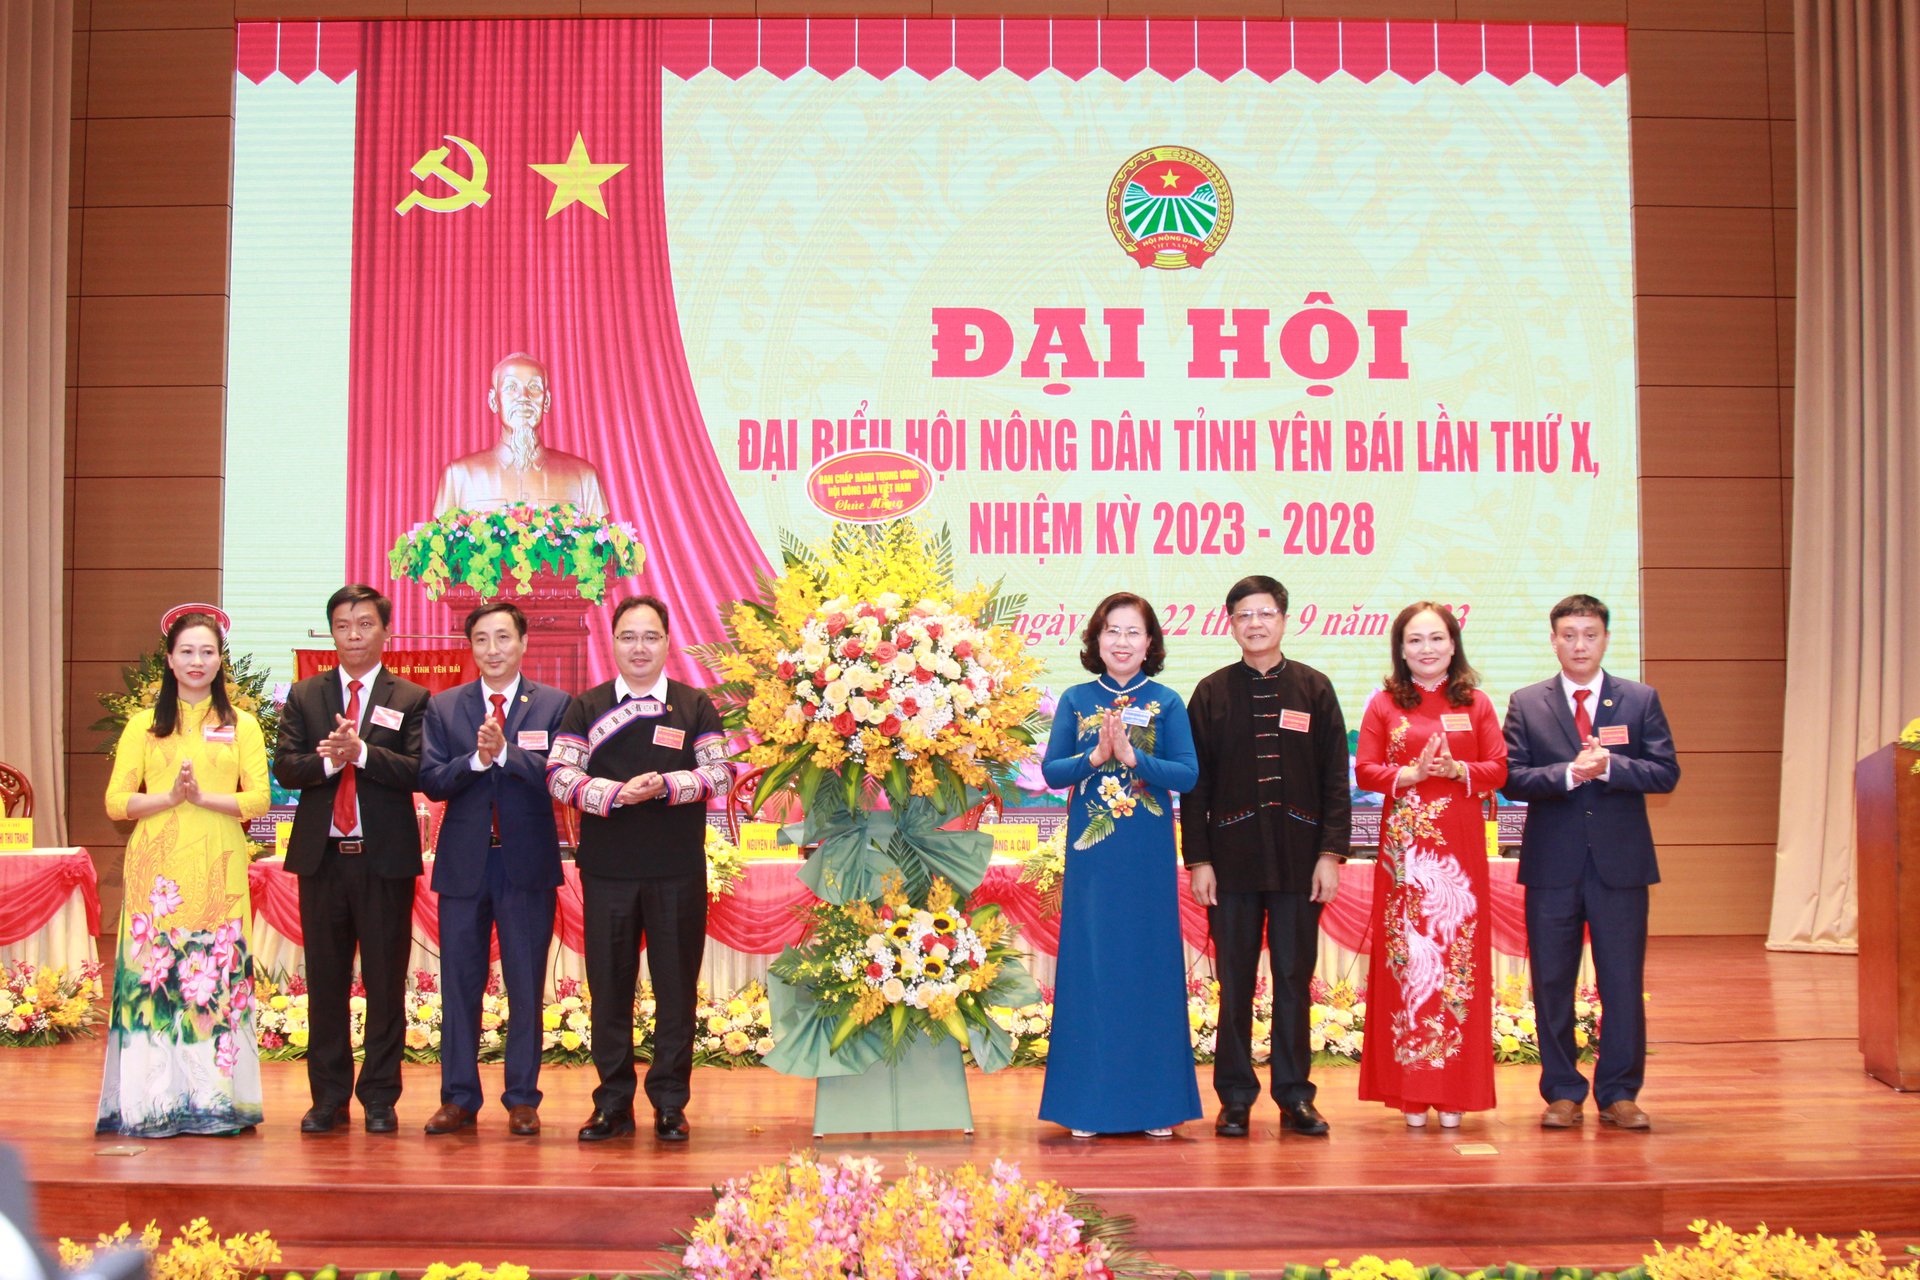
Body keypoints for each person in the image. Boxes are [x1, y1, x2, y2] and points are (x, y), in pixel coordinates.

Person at [547, 595, 732, 1142]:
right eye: (628, 636)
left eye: (650, 637)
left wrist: (669, 786)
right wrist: (615, 793)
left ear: (668, 643)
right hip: (606, 872)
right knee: (609, 989)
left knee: (676, 989)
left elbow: (720, 773)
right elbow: (558, 775)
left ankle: (671, 1103)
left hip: (677, 871)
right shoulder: (587, 705)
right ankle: (612, 1103)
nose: (639, 647)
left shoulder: (694, 705)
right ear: (613, 642)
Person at [1181, 575, 1351, 1138]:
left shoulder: (1314, 689)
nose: (1255, 624)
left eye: (1265, 613)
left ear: (1284, 619)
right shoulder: (1210, 692)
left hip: (1301, 861)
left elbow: (1335, 782)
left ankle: (1295, 1095)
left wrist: (1330, 854)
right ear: (1229, 624)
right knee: (1233, 980)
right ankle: (1234, 1097)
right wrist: (1198, 860)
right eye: (1243, 615)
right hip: (1229, 863)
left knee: (1292, 977)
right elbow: (1195, 789)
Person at [1502, 594, 1679, 1132]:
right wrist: (1567, 776)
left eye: (1590, 634)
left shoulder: (1639, 699)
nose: (1580, 644)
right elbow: (1510, 779)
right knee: (1551, 983)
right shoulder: (1527, 702)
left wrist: (1610, 768)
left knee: (1622, 982)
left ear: (1605, 638)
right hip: (1552, 867)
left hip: (1619, 869)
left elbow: (1665, 772)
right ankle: (1562, 1091)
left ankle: (1620, 1093)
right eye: (1569, 634)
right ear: (1553, 640)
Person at [99, 604, 267, 1137]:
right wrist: (169, 797)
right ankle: (152, 1103)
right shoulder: (143, 726)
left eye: (208, 652)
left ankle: (213, 1102)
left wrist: (204, 797)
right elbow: (115, 802)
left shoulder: (242, 725)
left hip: (219, 864)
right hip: (157, 871)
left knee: (212, 982)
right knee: (157, 981)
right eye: (187, 651)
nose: (197, 661)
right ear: (169, 661)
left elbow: (258, 800)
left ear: (221, 662)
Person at [1039, 593, 1202, 1139]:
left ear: (1150, 642)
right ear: (1096, 639)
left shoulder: (1167, 702)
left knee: (1147, 966)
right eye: (1113, 631)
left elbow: (1186, 775)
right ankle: (1087, 1106)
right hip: (1093, 860)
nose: (1123, 642)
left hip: (1147, 858)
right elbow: (1054, 772)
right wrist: (1096, 757)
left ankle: (1155, 1106)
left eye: (1134, 632)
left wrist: (1136, 760)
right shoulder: (1077, 699)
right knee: (1094, 969)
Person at [273, 584, 429, 1135]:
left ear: (385, 631)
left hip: (382, 861)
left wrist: (360, 753)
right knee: (326, 982)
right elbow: (286, 767)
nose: (354, 634)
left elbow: (418, 770)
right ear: (331, 632)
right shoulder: (306, 696)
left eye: (365, 624)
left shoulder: (410, 697)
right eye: (343, 624)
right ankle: (329, 1097)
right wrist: (328, 762)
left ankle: (381, 1097)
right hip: (323, 860)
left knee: (386, 984)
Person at [418, 602, 571, 1137]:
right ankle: (458, 1098)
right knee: (459, 985)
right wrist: (476, 762)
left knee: (526, 985)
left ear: (524, 642)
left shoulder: (555, 705)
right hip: (464, 866)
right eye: (481, 640)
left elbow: (559, 775)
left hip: (525, 864)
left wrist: (506, 753)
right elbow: (433, 779)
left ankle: (522, 1098)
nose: (493, 650)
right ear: (471, 646)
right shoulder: (444, 707)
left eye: (503, 638)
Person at [1353, 603, 1507, 1129]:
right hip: (1405, 857)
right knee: (1408, 965)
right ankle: (1411, 1093)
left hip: (1459, 856)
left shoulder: (1477, 703)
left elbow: (1500, 767)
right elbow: (1366, 771)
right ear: (1400, 648)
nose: (1427, 649)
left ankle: (1455, 1090)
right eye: (1415, 640)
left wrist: (1456, 768)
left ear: (1453, 644)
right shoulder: (1384, 704)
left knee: (1456, 966)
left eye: (1436, 638)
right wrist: (1412, 773)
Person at [433, 352, 610, 519]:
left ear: (546, 401)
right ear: (494, 401)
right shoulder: (458, 476)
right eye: (511, 387)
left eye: (534, 387)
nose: (524, 397)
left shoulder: (583, 478)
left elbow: (602, 549)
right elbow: (438, 548)